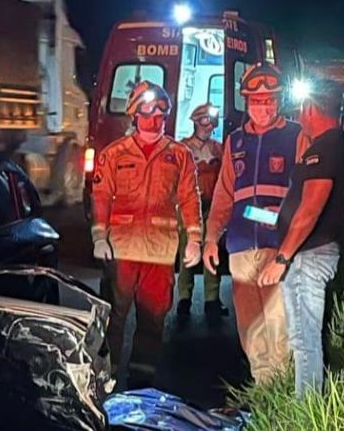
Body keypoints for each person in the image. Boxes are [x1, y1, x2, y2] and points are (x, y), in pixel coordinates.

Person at [203, 63, 311, 384]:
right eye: (256, 99)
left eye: (269, 100)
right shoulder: (235, 141)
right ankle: (265, 390)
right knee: (250, 326)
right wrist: (211, 237)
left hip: (277, 246)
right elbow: (224, 195)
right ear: (246, 101)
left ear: (279, 101)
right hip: (239, 246)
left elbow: (310, 193)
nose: (263, 106)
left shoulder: (296, 136)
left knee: (278, 324)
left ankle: (280, 392)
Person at [92, 80, 203, 386]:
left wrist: (194, 239)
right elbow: (101, 196)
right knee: (113, 318)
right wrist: (99, 236)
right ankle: (106, 380)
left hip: (159, 253)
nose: (155, 118)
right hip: (121, 250)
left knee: (153, 322)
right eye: (148, 111)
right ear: (135, 114)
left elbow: (190, 198)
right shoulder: (114, 154)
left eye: (161, 113)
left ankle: (141, 384)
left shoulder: (179, 155)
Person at [258, 80, 344, 398]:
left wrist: (282, 258)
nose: (299, 116)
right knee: (304, 335)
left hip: (307, 257)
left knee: (304, 338)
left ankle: (307, 408)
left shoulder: (326, 148)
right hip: (310, 254)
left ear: (311, 109)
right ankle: (308, 403)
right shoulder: (333, 145)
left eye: (302, 109)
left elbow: (309, 210)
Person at [177, 103, 227, 318]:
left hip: (212, 205)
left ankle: (211, 299)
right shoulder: (183, 148)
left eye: (211, 124)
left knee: (211, 248)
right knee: (186, 251)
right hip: (189, 207)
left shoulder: (218, 148)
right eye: (205, 123)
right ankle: (183, 298)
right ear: (196, 123)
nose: (209, 128)